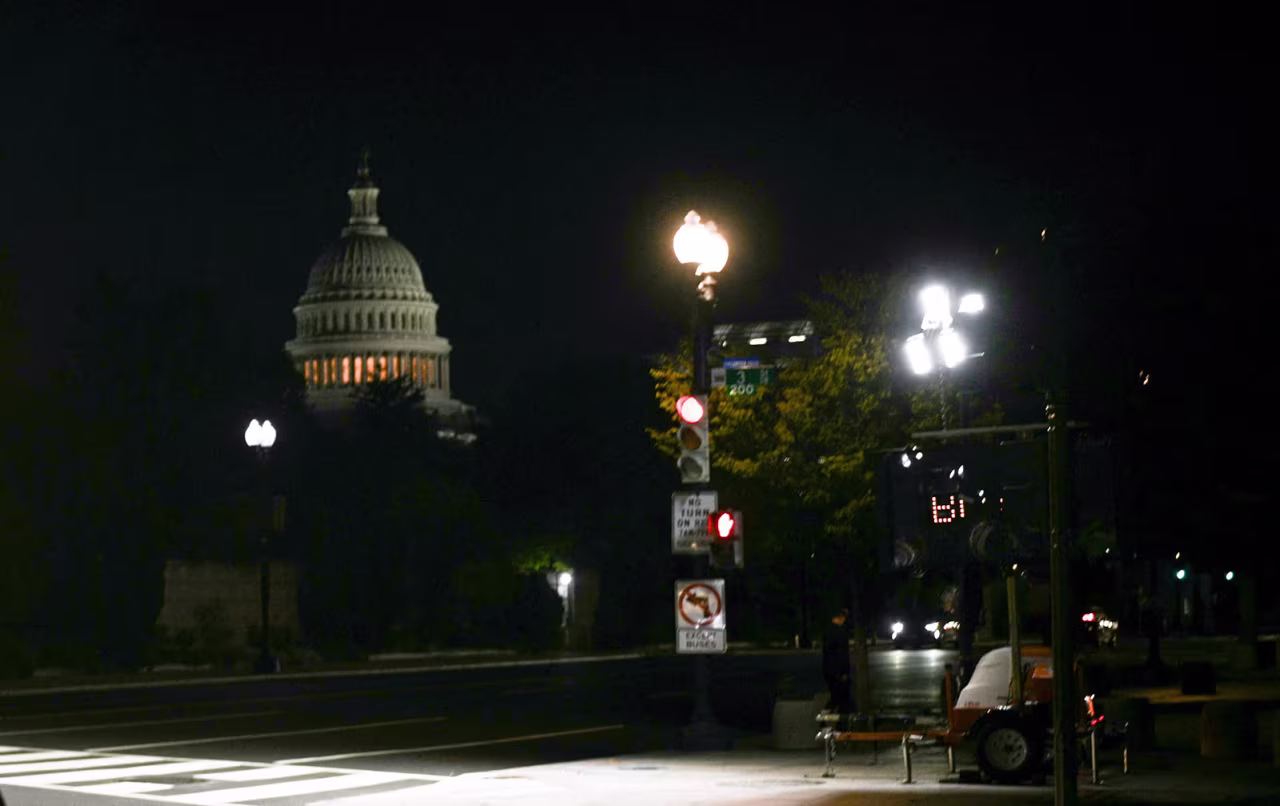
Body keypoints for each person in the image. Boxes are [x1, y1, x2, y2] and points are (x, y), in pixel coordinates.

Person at [822, 607, 854, 713]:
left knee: (836, 698)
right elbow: (842, 654)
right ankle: (834, 722)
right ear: (841, 617)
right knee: (842, 700)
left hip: (829, 671)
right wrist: (844, 672)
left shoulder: (828, 631)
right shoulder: (840, 633)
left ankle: (826, 719)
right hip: (839, 673)